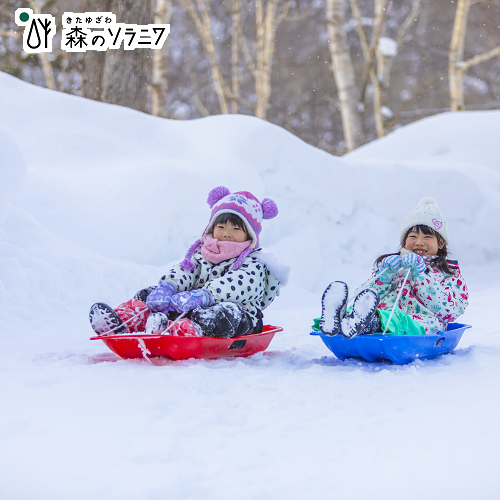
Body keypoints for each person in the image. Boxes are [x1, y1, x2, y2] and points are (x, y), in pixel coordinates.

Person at [89, 186, 287, 339]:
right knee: (149, 294)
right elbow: (186, 271)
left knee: (224, 313)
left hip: (241, 316)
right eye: (221, 225)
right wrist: (168, 287)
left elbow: (239, 284)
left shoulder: (254, 262)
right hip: (190, 307)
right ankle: (125, 321)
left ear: (249, 234)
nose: (227, 232)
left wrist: (205, 295)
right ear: (211, 227)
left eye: (236, 228)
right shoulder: (202, 253)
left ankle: (181, 331)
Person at [317, 197, 469, 338]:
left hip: (421, 324)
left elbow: (450, 311)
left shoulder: (448, 273)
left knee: (396, 320)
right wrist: (384, 276)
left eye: (427, 237)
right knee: (366, 313)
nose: (419, 242)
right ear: (404, 241)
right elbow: (364, 297)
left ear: (441, 243)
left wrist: (420, 275)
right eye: (413, 236)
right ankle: (335, 319)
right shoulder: (395, 265)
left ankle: (364, 324)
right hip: (383, 313)